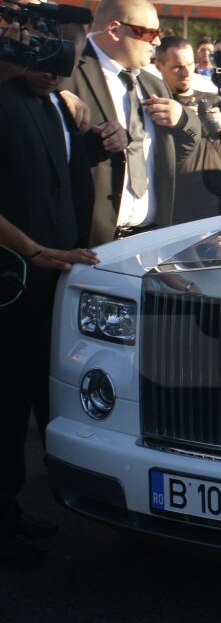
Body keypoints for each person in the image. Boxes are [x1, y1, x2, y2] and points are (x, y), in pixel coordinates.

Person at [0, 38, 98, 566]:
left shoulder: (55, 104)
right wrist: (31, 249)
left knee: (20, 399)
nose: (55, 71)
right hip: (14, 273)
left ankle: (9, 511)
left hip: (46, 274)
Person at [61, 0, 199, 246]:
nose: (157, 42)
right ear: (114, 29)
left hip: (150, 237)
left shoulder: (153, 85)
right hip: (88, 241)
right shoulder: (67, 74)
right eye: (149, 33)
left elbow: (188, 148)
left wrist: (183, 118)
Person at [153, 36, 221, 222]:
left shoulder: (210, 98)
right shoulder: (158, 103)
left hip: (215, 199)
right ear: (159, 65)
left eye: (190, 64)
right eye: (177, 67)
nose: (186, 72)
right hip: (175, 206)